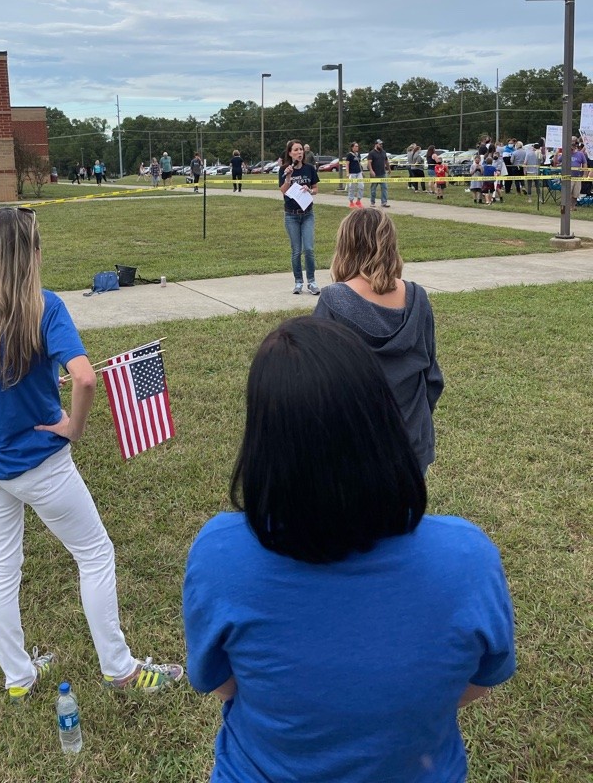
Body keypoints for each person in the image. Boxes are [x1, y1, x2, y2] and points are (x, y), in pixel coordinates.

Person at [184, 317, 515, 783]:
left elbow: (221, 683)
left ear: (263, 441)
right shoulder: (468, 560)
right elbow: (477, 683)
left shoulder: (218, 556)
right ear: (381, 420)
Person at [0, 207, 183, 701]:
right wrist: (72, 428)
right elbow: (86, 376)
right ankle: (120, 669)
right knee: (95, 554)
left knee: (3, 571)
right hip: (38, 466)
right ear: (30, 254)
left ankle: (19, 678)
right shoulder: (44, 306)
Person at [313, 206, 443, 473]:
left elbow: (318, 383)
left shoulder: (332, 300)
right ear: (390, 245)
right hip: (412, 443)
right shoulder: (417, 298)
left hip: (352, 446)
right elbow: (432, 377)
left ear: (346, 245)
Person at [279, 139, 320, 296]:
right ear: (290, 153)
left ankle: (312, 282)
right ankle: (298, 282)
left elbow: (316, 189)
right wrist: (288, 177)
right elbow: (283, 191)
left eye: (301, 149)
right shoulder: (284, 169)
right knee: (296, 251)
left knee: (308, 249)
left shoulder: (309, 169)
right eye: (296, 150)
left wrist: (309, 189)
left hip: (307, 214)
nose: (299, 152)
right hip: (291, 216)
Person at [367, 138, 390, 208]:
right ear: (376, 144)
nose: (381, 145)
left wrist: (389, 168)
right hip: (375, 174)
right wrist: (371, 171)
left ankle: (384, 202)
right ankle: (372, 202)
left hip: (383, 173)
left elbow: (386, 161)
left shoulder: (383, 152)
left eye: (381, 144)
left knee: (384, 188)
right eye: (380, 144)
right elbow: (369, 163)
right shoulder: (371, 153)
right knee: (373, 189)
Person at [345, 141, 364, 208]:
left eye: (357, 146)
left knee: (361, 186)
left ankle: (358, 201)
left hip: (358, 172)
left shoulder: (358, 154)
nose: (357, 147)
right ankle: (351, 201)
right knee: (351, 187)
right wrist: (347, 173)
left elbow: (359, 163)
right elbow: (347, 164)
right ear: (352, 147)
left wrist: (362, 171)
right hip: (352, 173)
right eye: (356, 146)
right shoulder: (349, 155)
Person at [570, 141, 588, 206]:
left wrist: (585, 174)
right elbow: (558, 161)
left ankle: (573, 206)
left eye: (573, 146)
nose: (572, 148)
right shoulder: (566, 154)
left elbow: (584, 163)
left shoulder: (580, 154)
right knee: (568, 192)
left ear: (575, 147)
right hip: (568, 177)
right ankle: (568, 206)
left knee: (576, 193)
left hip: (578, 176)